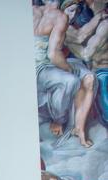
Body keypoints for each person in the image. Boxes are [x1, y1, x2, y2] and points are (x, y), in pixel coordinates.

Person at [33, 0, 97, 148]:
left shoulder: (33, 10)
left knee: (89, 78)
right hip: (43, 66)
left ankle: (79, 129)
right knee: (72, 80)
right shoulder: (60, 17)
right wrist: (69, 69)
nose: (72, 15)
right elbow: (53, 55)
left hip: (50, 64)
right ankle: (59, 120)